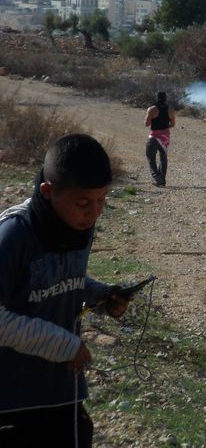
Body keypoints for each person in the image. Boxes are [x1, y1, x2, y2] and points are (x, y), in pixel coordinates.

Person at [0, 134, 134, 448]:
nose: (94, 213)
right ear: (48, 192)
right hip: (12, 399)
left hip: (60, 390)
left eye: (102, 200)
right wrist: (64, 345)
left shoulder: (78, 227)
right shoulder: (13, 237)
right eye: (84, 203)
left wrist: (99, 296)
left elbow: (60, 278)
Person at [144, 91, 176, 187]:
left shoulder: (152, 109)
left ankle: (158, 177)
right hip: (165, 137)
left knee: (150, 156)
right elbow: (173, 124)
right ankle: (162, 180)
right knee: (163, 158)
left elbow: (147, 124)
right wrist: (165, 126)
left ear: (157, 97)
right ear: (165, 98)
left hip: (154, 136)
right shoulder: (170, 109)